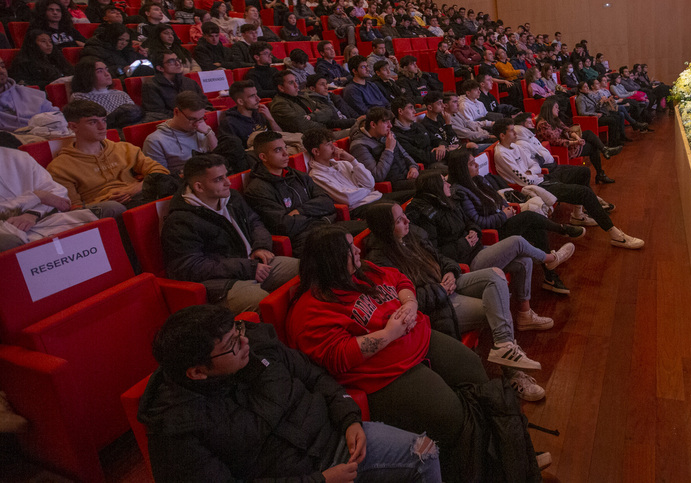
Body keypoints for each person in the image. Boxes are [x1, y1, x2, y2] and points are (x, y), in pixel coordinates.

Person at [285, 224, 545, 481]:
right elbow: (338, 355)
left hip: (417, 338)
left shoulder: (362, 271)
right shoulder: (310, 310)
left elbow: (399, 279)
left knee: (474, 370)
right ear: (331, 261)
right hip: (386, 373)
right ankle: (490, 467)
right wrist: (389, 334)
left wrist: (409, 302)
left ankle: (511, 456)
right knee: (451, 414)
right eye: (348, 247)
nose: (356, 249)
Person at [140, 304, 441, 482]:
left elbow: (313, 375)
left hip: (336, 436)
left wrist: (349, 418)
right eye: (231, 345)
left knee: (426, 451)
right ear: (197, 371)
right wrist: (320, 480)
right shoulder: (174, 427)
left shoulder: (255, 342)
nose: (244, 343)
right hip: (302, 474)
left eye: (238, 332)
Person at [364, 201, 548, 400]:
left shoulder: (411, 235)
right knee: (497, 307)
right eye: (399, 220)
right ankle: (514, 374)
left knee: (496, 276)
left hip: (448, 285)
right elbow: (405, 302)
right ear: (386, 227)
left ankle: (505, 346)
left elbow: (441, 258)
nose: (407, 221)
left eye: (404, 215)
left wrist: (451, 271)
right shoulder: (379, 260)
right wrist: (440, 290)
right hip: (436, 307)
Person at [406, 170, 568, 331]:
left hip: (476, 250)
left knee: (524, 261)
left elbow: (471, 222)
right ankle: (550, 259)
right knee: (517, 241)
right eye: (443, 181)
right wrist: (464, 243)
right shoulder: (425, 216)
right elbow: (434, 253)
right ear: (435, 187)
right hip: (464, 263)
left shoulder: (449, 200)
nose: (448, 183)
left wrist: (474, 231)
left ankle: (525, 315)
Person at [160, 154, 299, 310]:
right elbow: (191, 267)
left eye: (226, 175)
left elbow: (255, 222)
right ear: (199, 187)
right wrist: (246, 267)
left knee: (304, 268)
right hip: (220, 282)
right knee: (258, 299)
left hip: (252, 264)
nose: (228, 182)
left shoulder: (232, 197)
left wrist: (261, 246)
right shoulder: (180, 221)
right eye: (219, 179)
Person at [493, 117, 644, 249]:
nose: (516, 133)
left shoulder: (514, 146)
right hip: (536, 188)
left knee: (583, 172)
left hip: (543, 178)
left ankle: (578, 215)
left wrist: (531, 171)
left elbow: (535, 165)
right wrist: (533, 173)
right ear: (502, 135)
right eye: (512, 131)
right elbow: (522, 180)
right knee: (584, 193)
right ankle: (615, 234)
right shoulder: (501, 154)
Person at [447, 148, 582, 294]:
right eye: (471, 164)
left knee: (536, 228)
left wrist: (506, 209)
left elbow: (498, 199)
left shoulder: (478, 180)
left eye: (475, 162)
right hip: (493, 233)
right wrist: (503, 216)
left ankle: (551, 278)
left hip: (503, 221)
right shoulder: (461, 191)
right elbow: (479, 222)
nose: (476, 165)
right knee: (529, 217)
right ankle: (562, 230)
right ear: (461, 169)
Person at [47, 100, 168, 218]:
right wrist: (103, 200)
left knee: (170, 185)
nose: (102, 127)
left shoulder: (124, 148)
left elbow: (161, 172)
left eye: (104, 120)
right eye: (93, 122)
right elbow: (75, 209)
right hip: (105, 208)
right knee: (114, 207)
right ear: (73, 126)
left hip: (137, 195)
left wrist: (134, 189)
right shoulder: (60, 166)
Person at [243, 131, 342, 253]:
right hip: (305, 240)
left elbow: (327, 201)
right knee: (344, 250)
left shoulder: (296, 175)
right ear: (263, 157)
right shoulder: (257, 189)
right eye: (278, 150)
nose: (286, 154)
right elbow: (284, 226)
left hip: (325, 227)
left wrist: (300, 211)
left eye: (285, 148)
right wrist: (318, 216)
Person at [0, 146, 97, 251]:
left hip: (43, 217)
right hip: (7, 229)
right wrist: (37, 197)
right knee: (10, 242)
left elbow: (58, 194)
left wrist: (33, 213)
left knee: (111, 208)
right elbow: (45, 196)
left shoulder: (17, 157)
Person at [304, 127, 413, 220]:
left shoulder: (343, 163)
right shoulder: (316, 176)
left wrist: (353, 160)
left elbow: (370, 183)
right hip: (360, 208)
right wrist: (366, 190)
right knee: (398, 211)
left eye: (333, 143)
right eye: (328, 144)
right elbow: (348, 198)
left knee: (414, 194)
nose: (334, 147)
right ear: (316, 151)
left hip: (375, 197)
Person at [535, 97, 620, 183]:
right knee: (593, 148)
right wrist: (575, 142)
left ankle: (604, 153)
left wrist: (577, 137)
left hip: (568, 143)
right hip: (562, 149)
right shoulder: (543, 124)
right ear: (549, 109)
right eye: (556, 107)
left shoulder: (554, 119)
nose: (558, 109)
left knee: (588, 133)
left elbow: (567, 129)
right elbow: (556, 141)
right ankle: (602, 168)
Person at [142, 91, 219, 175]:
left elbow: (219, 159)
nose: (197, 124)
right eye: (192, 119)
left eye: (201, 118)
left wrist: (209, 134)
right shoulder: (155, 141)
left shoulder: (204, 129)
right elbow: (160, 179)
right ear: (176, 112)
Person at [349, 106, 420, 191]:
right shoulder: (359, 146)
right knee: (431, 185)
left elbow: (404, 153)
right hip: (393, 184)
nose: (390, 126)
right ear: (373, 124)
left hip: (407, 175)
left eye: (390, 122)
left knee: (438, 176)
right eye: (386, 122)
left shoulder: (386, 134)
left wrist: (413, 166)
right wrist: (388, 150)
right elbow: (377, 176)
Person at [69, 57, 143, 128]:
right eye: (100, 71)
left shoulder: (121, 94)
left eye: (107, 70)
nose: (107, 74)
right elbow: (94, 123)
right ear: (87, 75)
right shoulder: (80, 97)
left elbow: (136, 116)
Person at [141, 51, 208, 122]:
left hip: (198, 120)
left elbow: (205, 103)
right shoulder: (151, 86)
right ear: (160, 68)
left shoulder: (189, 82)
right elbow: (157, 113)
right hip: (172, 124)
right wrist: (187, 116)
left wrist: (207, 111)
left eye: (177, 60)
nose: (178, 63)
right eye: (171, 61)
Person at [218, 79, 281, 148]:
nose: (258, 99)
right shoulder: (229, 123)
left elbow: (281, 137)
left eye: (256, 94)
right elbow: (235, 151)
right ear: (240, 101)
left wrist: (270, 119)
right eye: (252, 96)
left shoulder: (260, 113)